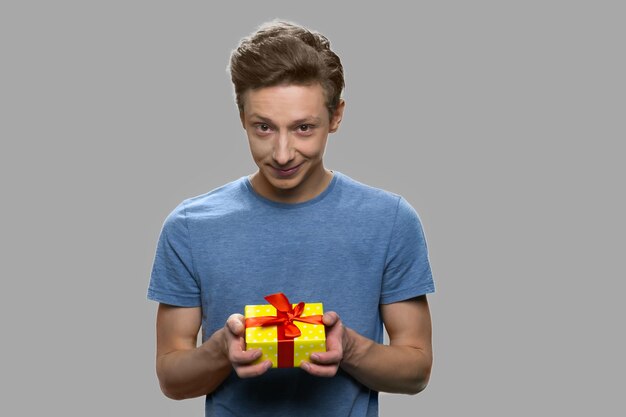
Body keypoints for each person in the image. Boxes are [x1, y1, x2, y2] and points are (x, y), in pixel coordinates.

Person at [148, 20, 435, 417]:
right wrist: (218, 351)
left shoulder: (390, 220)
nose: (283, 153)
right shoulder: (189, 226)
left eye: (303, 128)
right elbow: (171, 379)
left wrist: (350, 349)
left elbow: (417, 370)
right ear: (242, 117)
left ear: (335, 117)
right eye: (263, 128)